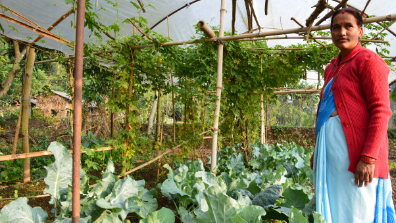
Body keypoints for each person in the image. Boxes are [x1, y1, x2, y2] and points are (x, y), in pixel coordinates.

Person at [311, 7, 396, 222]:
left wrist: (368, 158)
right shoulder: (332, 67)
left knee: (357, 207)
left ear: (360, 30)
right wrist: (317, 151)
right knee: (336, 205)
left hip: (356, 154)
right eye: (336, 28)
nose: (342, 32)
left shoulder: (368, 61)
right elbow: (325, 110)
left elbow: (381, 110)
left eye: (348, 26)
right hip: (331, 154)